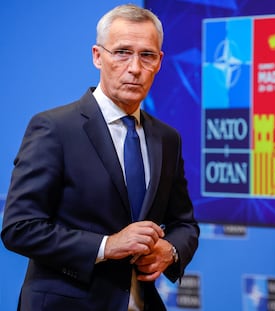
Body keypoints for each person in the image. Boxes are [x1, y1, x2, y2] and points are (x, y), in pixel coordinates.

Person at [1, 4, 199, 311]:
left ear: (159, 62)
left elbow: (185, 223)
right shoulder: (54, 128)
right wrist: (108, 245)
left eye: (146, 55)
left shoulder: (167, 138)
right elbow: (20, 227)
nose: (134, 67)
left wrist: (170, 251)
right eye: (122, 52)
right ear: (97, 56)